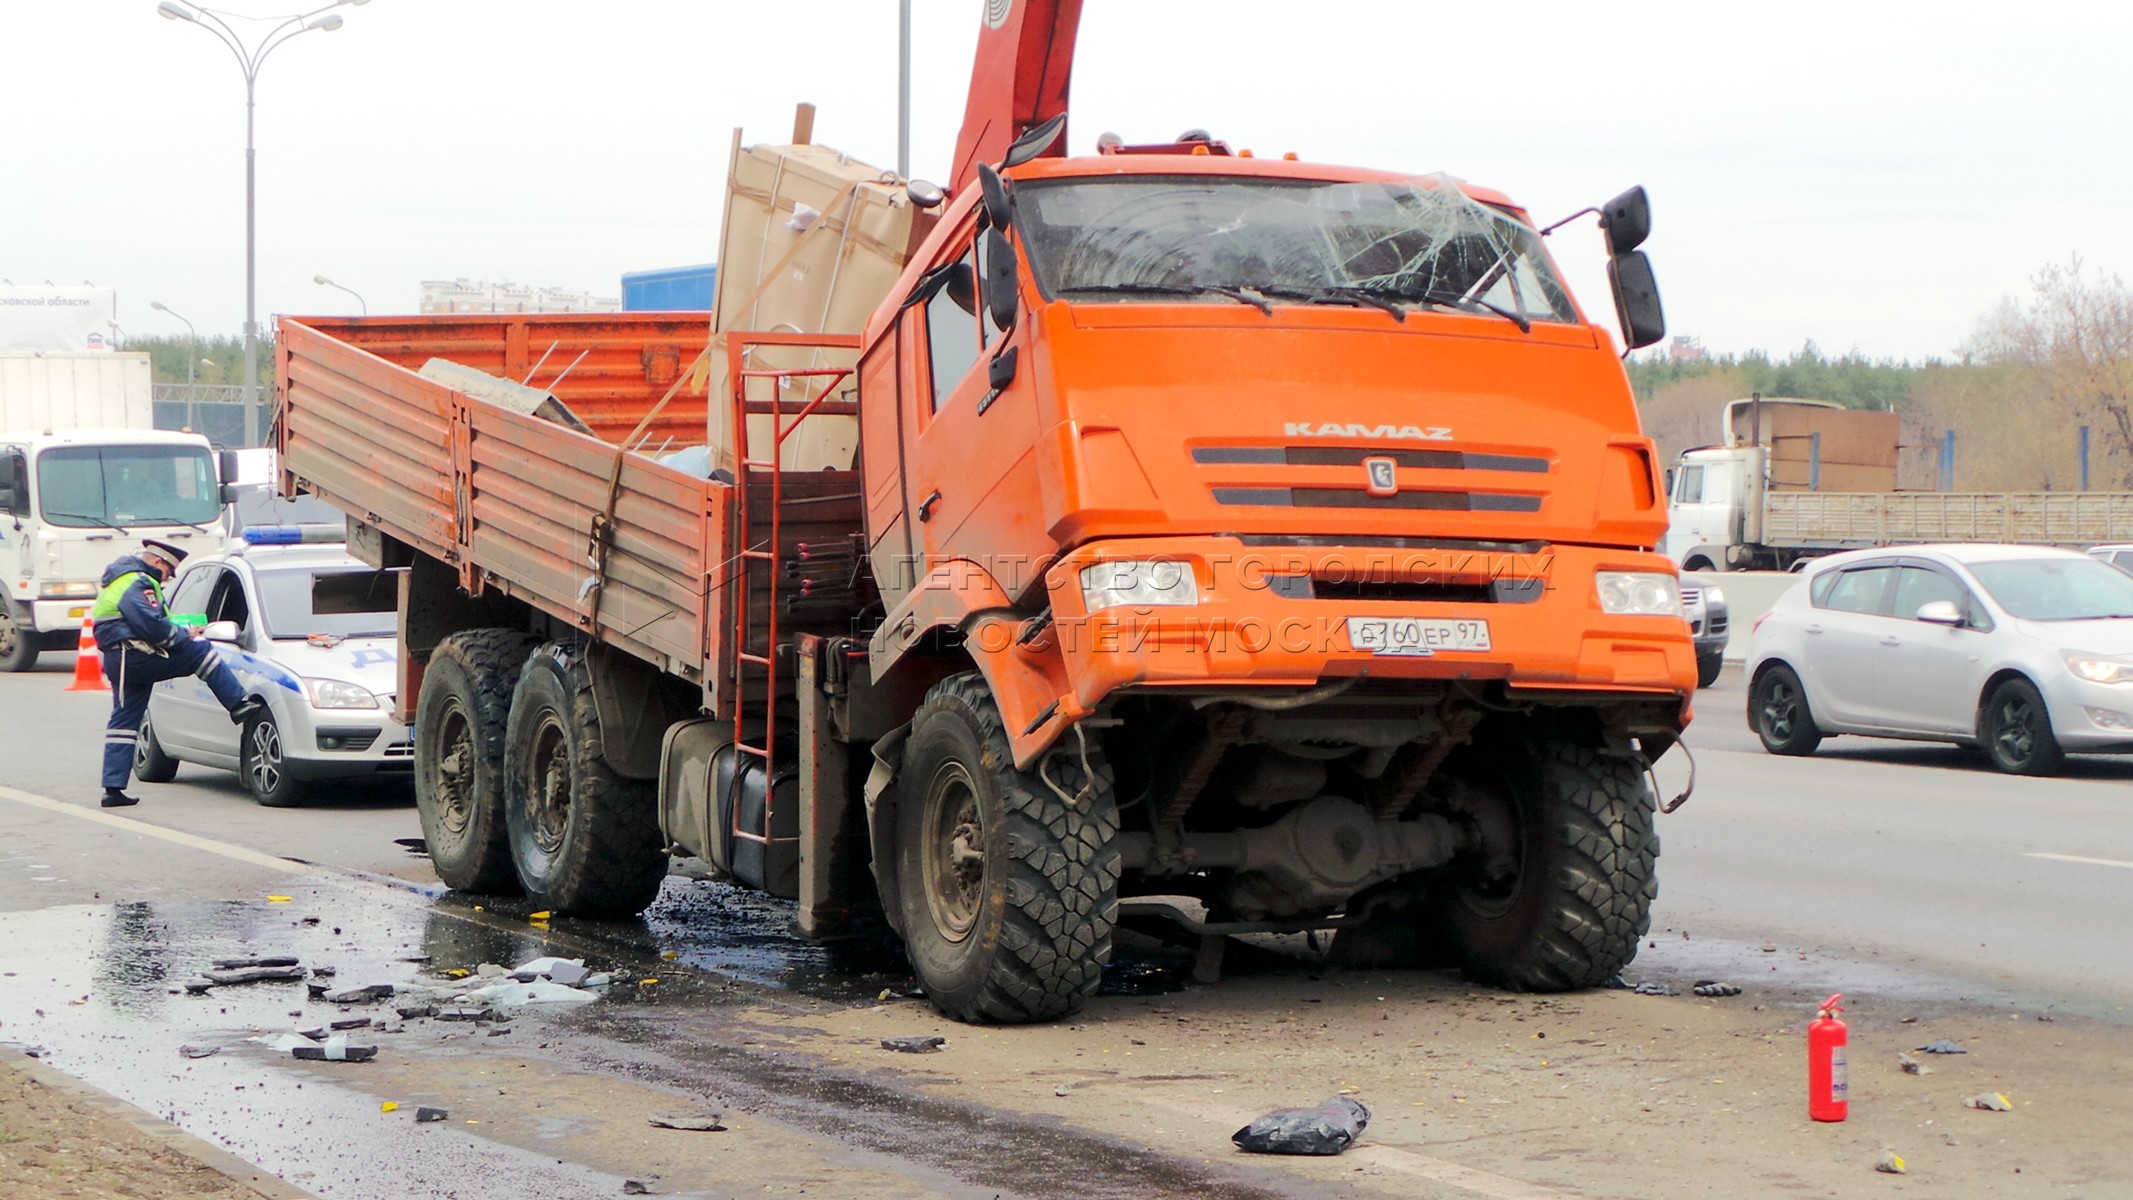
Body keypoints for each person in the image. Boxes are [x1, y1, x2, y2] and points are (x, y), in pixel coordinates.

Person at [91, 539, 262, 808]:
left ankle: (113, 789)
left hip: (122, 658)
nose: (169, 577)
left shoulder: (120, 580)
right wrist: (184, 636)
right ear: (158, 562)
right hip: (134, 656)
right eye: (169, 571)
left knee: (124, 724)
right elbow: (153, 628)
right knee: (201, 651)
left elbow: (151, 623)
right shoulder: (139, 582)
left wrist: (178, 630)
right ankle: (239, 704)